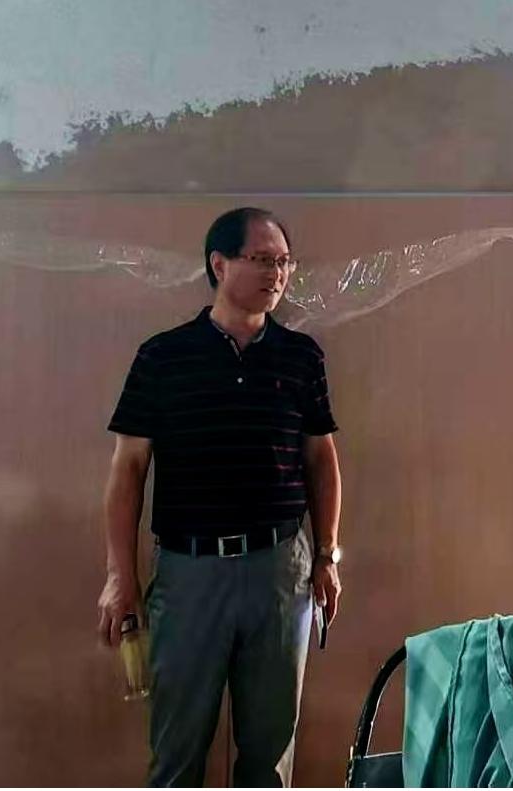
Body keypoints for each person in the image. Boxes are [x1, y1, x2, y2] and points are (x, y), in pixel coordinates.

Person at [95, 207, 344, 787]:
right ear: (219, 263)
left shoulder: (301, 356)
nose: (277, 274)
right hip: (189, 573)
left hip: (280, 570)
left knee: (270, 752)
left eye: (285, 262)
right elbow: (128, 469)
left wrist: (327, 554)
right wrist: (120, 576)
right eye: (262, 260)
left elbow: (321, 459)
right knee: (177, 750)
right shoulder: (163, 357)